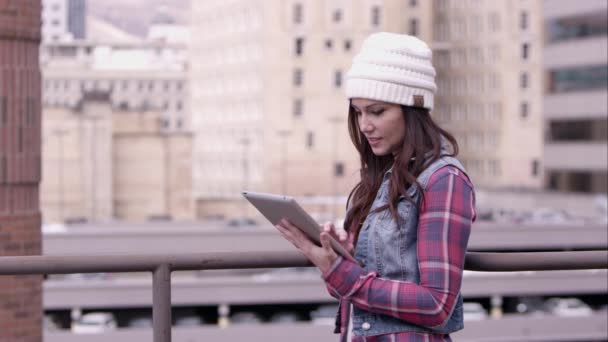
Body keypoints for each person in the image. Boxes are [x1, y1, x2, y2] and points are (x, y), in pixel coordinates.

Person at [275, 32, 476, 341]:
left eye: (377, 111)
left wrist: (346, 276)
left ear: (412, 109)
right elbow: (354, 291)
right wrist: (339, 258)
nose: (364, 125)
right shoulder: (381, 180)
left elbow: (438, 304)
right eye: (358, 112)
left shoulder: (443, 180)